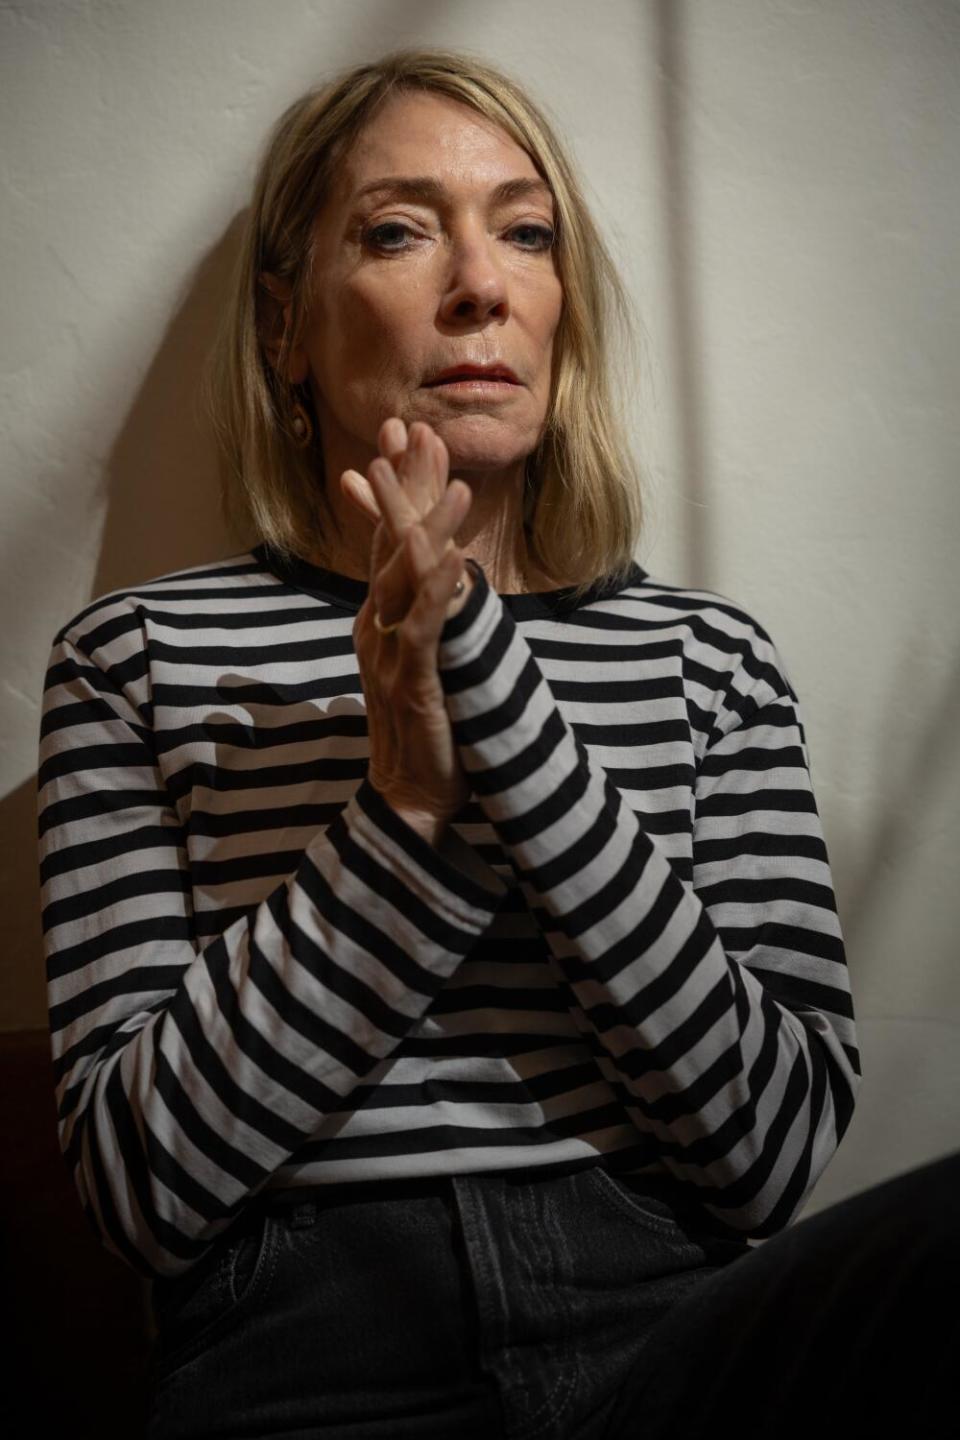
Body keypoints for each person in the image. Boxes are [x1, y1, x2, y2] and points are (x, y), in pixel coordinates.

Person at [37, 45, 956, 1440]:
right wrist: (403, 810)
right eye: (400, 231)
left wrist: (482, 680)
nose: (482, 282)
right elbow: (146, 1185)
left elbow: (765, 1155)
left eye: (526, 232)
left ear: (559, 308)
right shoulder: (136, 661)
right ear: (286, 325)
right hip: (307, 1352)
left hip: (665, 1324)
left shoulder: (708, 660)